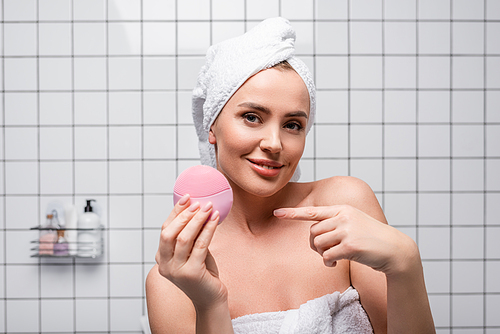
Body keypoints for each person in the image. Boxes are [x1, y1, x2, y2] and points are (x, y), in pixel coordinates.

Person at [146, 17, 435, 334]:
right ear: (211, 125)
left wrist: (406, 263)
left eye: (293, 125)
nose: (274, 143)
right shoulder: (178, 275)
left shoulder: (343, 207)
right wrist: (210, 303)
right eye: (252, 117)